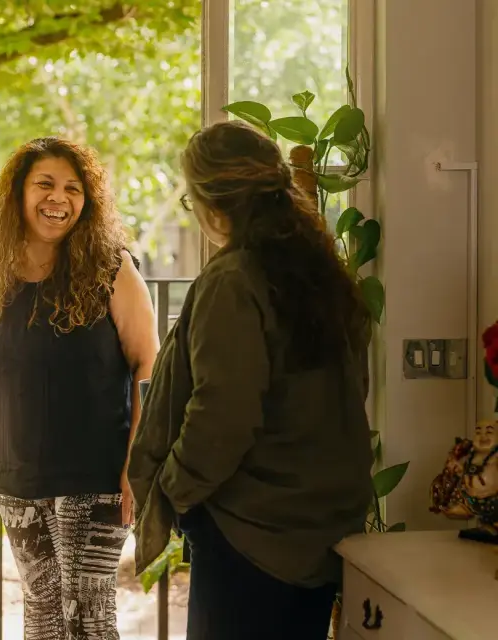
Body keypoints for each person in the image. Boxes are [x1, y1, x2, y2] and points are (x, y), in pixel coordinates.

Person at [127, 121, 374, 640]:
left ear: (211, 203)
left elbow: (223, 415)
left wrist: (176, 490)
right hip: (321, 528)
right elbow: (355, 391)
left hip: (249, 533)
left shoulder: (235, 278)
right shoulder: (322, 272)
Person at [0, 137, 159, 640]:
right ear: (18, 194)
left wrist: (138, 460)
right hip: (17, 472)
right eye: (45, 184)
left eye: (73, 188)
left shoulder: (112, 267)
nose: (59, 198)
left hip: (97, 474)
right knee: (43, 618)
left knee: (87, 620)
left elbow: (148, 365)